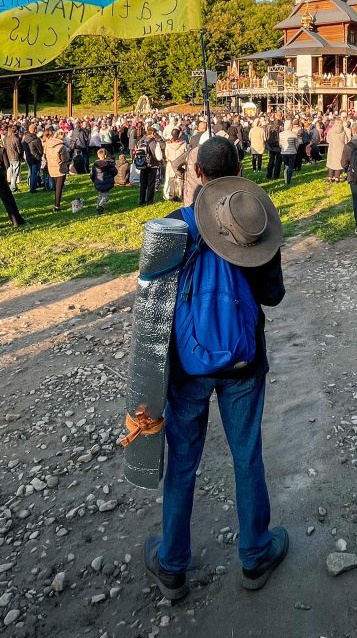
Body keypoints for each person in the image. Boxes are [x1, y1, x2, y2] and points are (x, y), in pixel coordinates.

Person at [145, 137, 288, 600]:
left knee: (183, 461)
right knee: (247, 455)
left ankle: (172, 564)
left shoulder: (172, 225)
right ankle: (254, 554)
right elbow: (273, 295)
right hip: (244, 360)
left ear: (197, 175)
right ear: (239, 170)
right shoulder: (255, 219)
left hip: (187, 363)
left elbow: (151, 305)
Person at [341, 122, 357, 236]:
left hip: (353, 175)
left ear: (354, 132)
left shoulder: (348, 146)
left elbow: (343, 163)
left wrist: (347, 168)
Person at [44, 130, 70, 212]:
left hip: (51, 167)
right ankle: (57, 205)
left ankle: (56, 202)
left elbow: (45, 156)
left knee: (56, 186)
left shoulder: (47, 144)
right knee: (59, 188)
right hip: (60, 168)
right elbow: (65, 158)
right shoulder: (61, 147)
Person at [90, 147, 118, 212]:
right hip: (107, 182)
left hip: (98, 181)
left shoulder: (95, 165)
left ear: (98, 156)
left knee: (100, 195)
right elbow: (115, 172)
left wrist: (93, 180)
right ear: (105, 155)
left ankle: (98, 204)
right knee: (105, 196)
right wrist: (111, 176)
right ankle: (101, 206)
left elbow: (92, 174)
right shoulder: (109, 164)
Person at [163, 130, 187, 201]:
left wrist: (170, 159)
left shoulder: (168, 144)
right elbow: (186, 153)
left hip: (171, 163)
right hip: (180, 163)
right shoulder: (183, 143)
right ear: (179, 134)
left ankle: (170, 194)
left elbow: (166, 155)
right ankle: (180, 194)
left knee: (170, 179)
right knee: (180, 179)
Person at [22, 124, 44, 192]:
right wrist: (39, 155)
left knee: (32, 172)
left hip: (28, 157)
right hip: (35, 158)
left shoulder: (25, 138)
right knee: (34, 173)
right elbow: (40, 150)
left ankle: (37, 183)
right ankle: (33, 188)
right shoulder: (36, 139)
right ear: (35, 130)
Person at [325, 118, 347, 183]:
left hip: (332, 148)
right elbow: (346, 141)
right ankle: (337, 178)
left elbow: (328, 140)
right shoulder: (343, 131)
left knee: (331, 163)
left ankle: (330, 177)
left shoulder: (331, 131)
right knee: (338, 164)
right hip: (340, 149)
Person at [279, 120, 299, 186]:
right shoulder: (294, 134)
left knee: (286, 167)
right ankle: (289, 180)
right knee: (291, 167)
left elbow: (280, 144)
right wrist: (295, 149)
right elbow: (297, 144)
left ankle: (285, 180)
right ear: (290, 126)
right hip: (292, 152)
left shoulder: (281, 134)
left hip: (284, 152)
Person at [4, 124, 23, 192]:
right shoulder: (16, 139)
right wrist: (20, 155)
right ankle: (13, 187)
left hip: (9, 156)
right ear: (16, 131)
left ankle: (13, 185)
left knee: (12, 171)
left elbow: (5, 147)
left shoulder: (7, 138)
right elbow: (19, 150)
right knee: (15, 173)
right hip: (15, 157)